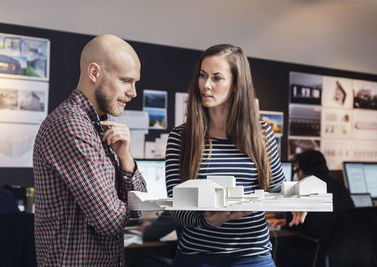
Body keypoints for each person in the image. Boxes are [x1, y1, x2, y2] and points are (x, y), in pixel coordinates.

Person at [165, 44, 306, 267]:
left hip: (252, 254)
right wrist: (208, 221)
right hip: (198, 255)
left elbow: (275, 185)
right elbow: (176, 206)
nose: (206, 85)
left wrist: (295, 199)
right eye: (203, 76)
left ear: (236, 84)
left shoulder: (262, 133)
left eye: (217, 78)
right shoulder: (181, 137)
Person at [33, 34, 146, 266]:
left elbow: (140, 208)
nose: (133, 92)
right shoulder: (71, 125)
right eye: (126, 80)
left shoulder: (100, 127)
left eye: (135, 82)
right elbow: (109, 221)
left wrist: (126, 157)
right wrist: (125, 204)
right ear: (94, 73)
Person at [271, 150, 354, 267]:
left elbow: (293, 224)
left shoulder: (306, 187)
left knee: (280, 253)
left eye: (297, 170)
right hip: (344, 252)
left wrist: (283, 223)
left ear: (303, 170)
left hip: (317, 251)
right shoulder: (339, 186)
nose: (297, 175)